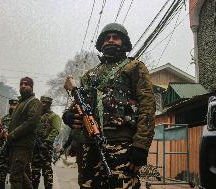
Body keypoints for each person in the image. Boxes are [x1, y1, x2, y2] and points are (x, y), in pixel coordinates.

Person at [62, 23, 156, 188]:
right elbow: (78, 107)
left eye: (116, 37)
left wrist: (141, 146)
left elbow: (147, 108)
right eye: (107, 38)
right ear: (101, 43)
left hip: (122, 146)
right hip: (89, 148)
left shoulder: (134, 67)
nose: (110, 41)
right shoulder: (89, 75)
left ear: (124, 42)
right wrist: (68, 117)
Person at [8, 77, 42, 189]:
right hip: (16, 144)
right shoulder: (20, 103)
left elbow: (31, 123)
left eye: (26, 84)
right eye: (21, 84)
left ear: (31, 87)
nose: (23, 86)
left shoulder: (34, 102)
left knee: (15, 175)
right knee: (21, 174)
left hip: (23, 145)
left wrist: (13, 134)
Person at [31, 96, 61, 189]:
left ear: (49, 104)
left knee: (47, 170)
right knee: (35, 170)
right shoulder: (36, 116)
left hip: (45, 147)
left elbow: (55, 130)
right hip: (35, 146)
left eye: (46, 103)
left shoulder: (54, 116)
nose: (43, 104)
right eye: (42, 102)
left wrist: (47, 142)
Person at [0, 99, 18, 189]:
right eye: (11, 105)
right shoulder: (4, 118)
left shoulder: (19, 119)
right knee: (1, 164)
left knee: (15, 167)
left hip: (14, 146)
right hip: (2, 145)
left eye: (14, 105)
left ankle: (15, 184)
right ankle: (1, 183)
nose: (12, 107)